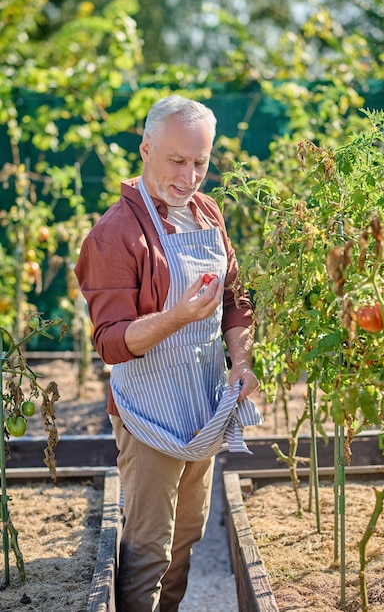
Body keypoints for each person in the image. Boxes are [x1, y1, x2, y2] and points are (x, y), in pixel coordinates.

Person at [74, 94, 262, 612]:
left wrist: (241, 363)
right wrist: (175, 317)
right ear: (146, 148)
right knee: (149, 546)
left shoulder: (206, 212)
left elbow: (234, 300)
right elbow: (111, 341)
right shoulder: (116, 234)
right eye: (177, 160)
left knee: (188, 535)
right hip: (148, 410)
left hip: (201, 405)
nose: (190, 175)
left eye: (200, 162)